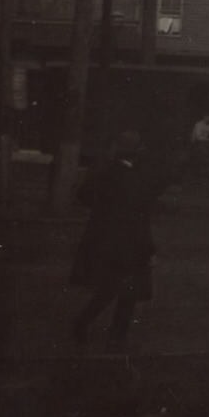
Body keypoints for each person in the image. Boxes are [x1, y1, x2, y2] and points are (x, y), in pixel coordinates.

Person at [70, 131, 162, 354]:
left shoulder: (105, 172)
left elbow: (84, 195)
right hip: (130, 244)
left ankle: (84, 323)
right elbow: (141, 218)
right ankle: (115, 337)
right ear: (136, 154)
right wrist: (150, 249)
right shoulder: (137, 180)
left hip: (104, 240)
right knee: (127, 291)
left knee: (110, 287)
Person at [189, 114, 209, 179]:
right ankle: (204, 167)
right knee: (204, 150)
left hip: (206, 143)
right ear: (204, 117)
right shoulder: (198, 124)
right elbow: (198, 137)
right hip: (197, 143)